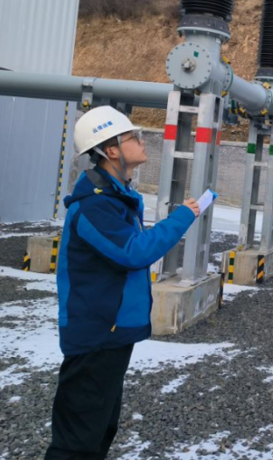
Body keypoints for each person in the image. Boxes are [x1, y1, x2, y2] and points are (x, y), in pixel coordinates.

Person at [45, 106, 200, 460]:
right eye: (133, 137)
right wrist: (181, 217)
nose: (142, 141)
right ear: (111, 150)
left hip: (111, 334)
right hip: (95, 337)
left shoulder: (115, 198)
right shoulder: (93, 206)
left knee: (100, 431)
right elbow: (133, 252)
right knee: (76, 443)